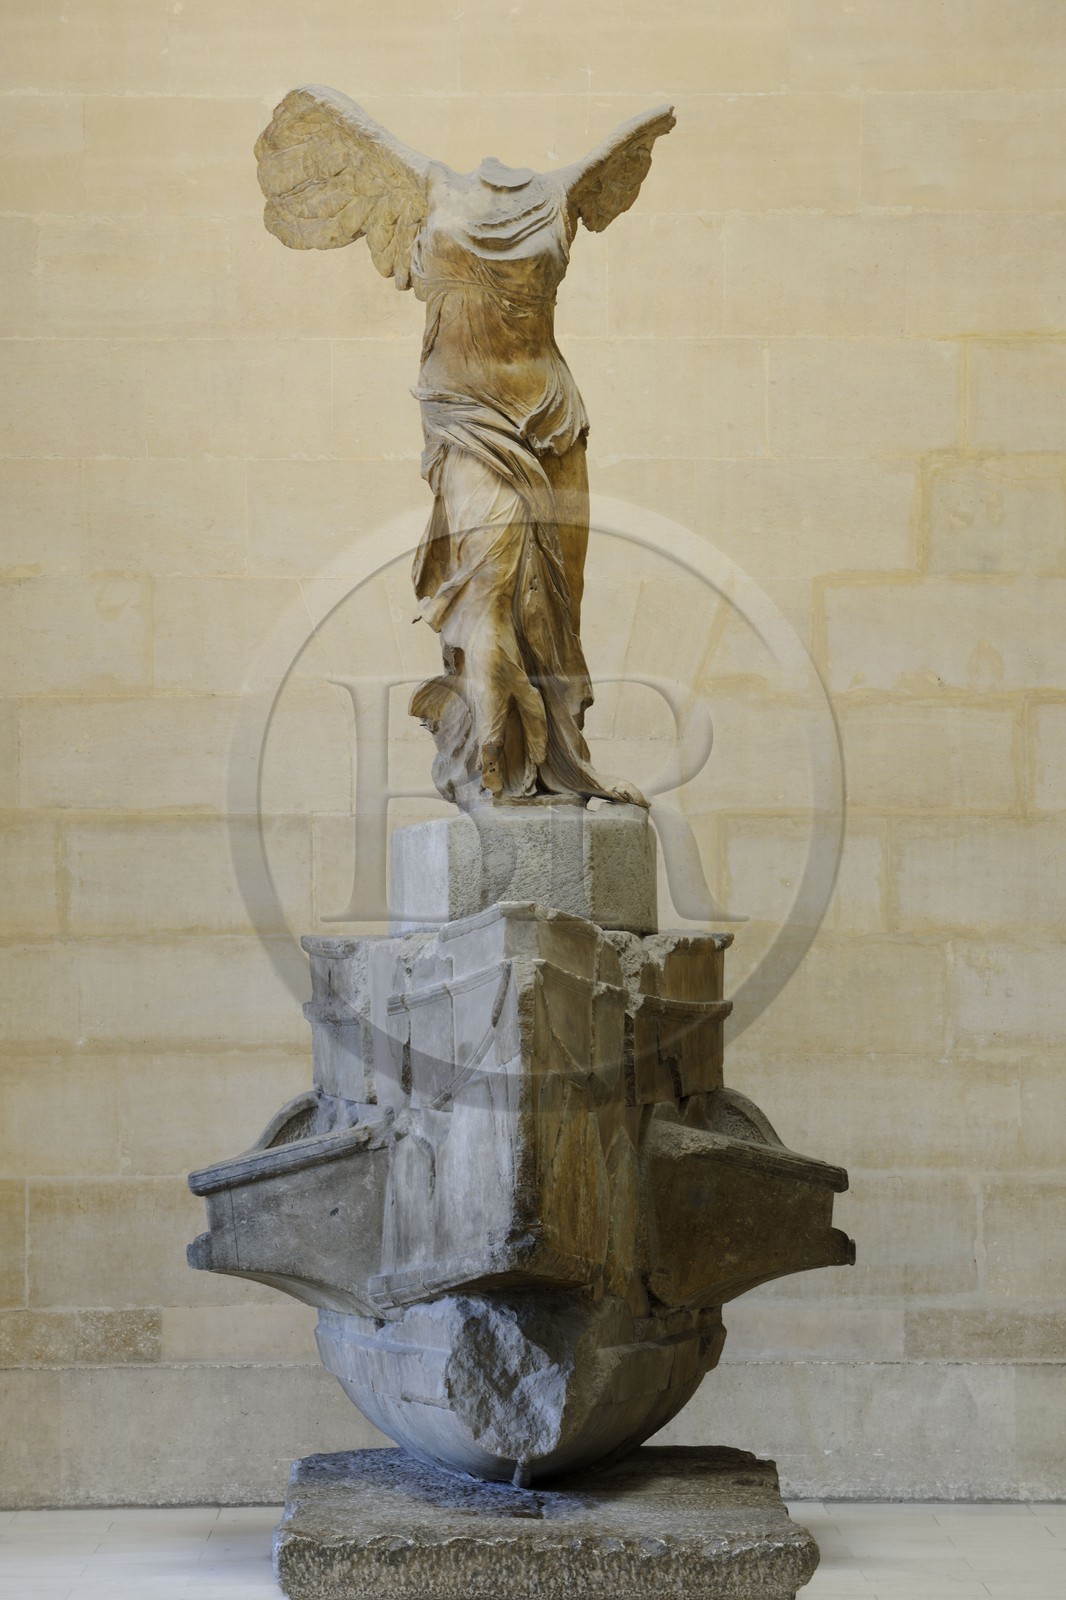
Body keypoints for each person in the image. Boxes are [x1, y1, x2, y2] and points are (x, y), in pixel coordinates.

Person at [256, 86, 674, 808]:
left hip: (550, 419)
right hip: (466, 419)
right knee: (487, 590)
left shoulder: (561, 194)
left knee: (555, 606)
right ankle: (492, 765)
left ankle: (559, 764)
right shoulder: (426, 188)